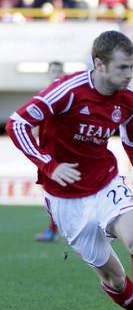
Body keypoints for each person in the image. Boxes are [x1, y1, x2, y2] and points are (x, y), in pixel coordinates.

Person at [5, 30, 133, 310]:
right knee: (115, 280)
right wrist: (49, 164)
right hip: (65, 199)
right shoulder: (67, 91)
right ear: (99, 64)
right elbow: (16, 124)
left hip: (106, 184)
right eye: (122, 68)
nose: (129, 75)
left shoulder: (128, 100)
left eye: (132, 66)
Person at [35, 61, 64, 242]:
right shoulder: (41, 96)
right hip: (46, 153)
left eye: (58, 71)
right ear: (48, 74)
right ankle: (55, 229)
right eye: (53, 71)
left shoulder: (68, 94)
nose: (55, 74)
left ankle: (56, 231)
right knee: (51, 193)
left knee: (66, 193)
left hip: (65, 152)